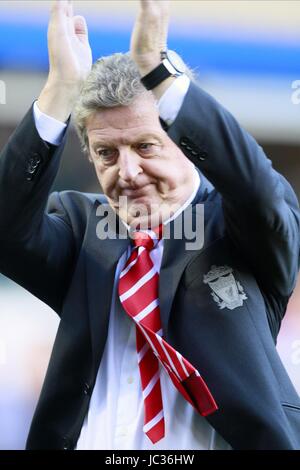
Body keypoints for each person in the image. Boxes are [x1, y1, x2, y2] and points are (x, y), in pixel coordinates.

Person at [0, 0, 299, 450]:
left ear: (184, 141)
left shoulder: (238, 224)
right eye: (107, 153)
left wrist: (157, 74)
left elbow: (258, 189)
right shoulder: (84, 225)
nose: (128, 171)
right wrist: (60, 90)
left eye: (145, 145)